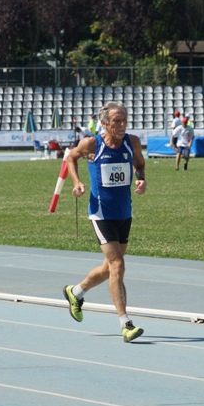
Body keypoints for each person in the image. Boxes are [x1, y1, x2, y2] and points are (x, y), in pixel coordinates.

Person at [62, 101, 147, 342]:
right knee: (117, 264)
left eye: (124, 120)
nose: (122, 125)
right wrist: (77, 182)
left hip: (124, 212)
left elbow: (140, 164)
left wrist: (141, 179)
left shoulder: (132, 142)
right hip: (101, 213)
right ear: (104, 123)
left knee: (110, 268)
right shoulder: (92, 144)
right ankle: (125, 323)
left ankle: (76, 291)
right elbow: (70, 158)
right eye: (117, 121)